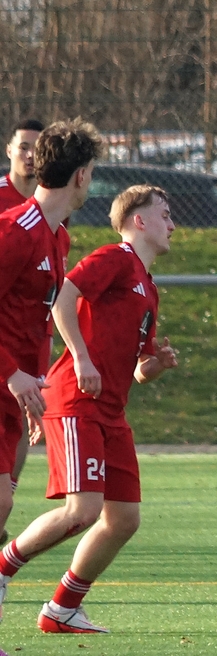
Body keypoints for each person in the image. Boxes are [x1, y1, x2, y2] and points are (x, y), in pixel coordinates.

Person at [0, 185, 178, 635]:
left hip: (111, 414)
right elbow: (64, 296)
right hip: (77, 402)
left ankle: (61, 609)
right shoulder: (115, 258)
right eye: (164, 214)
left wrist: (154, 366)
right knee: (82, 510)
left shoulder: (147, 287)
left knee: (123, 519)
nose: (172, 224)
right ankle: (2, 568)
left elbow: (137, 371)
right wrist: (78, 355)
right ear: (139, 220)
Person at [0, 118, 103, 654]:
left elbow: (32, 318)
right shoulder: (18, 230)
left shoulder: (55, 235)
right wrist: (11, 372)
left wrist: (35, 383)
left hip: (14, 396)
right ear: (82, 176)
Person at [0, 119, 47, 550]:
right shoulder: (11, 215)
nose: (30, 155)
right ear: (9, 149)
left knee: (7, 490)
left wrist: (35, 371)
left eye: (39, 148)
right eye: (24, 147)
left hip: (19, 358)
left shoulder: (51, 219)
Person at [0, 119, 44, 212]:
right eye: (23, 148)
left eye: (37, 149)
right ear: (9, 151)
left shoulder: (52, 199)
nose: (31, 155)